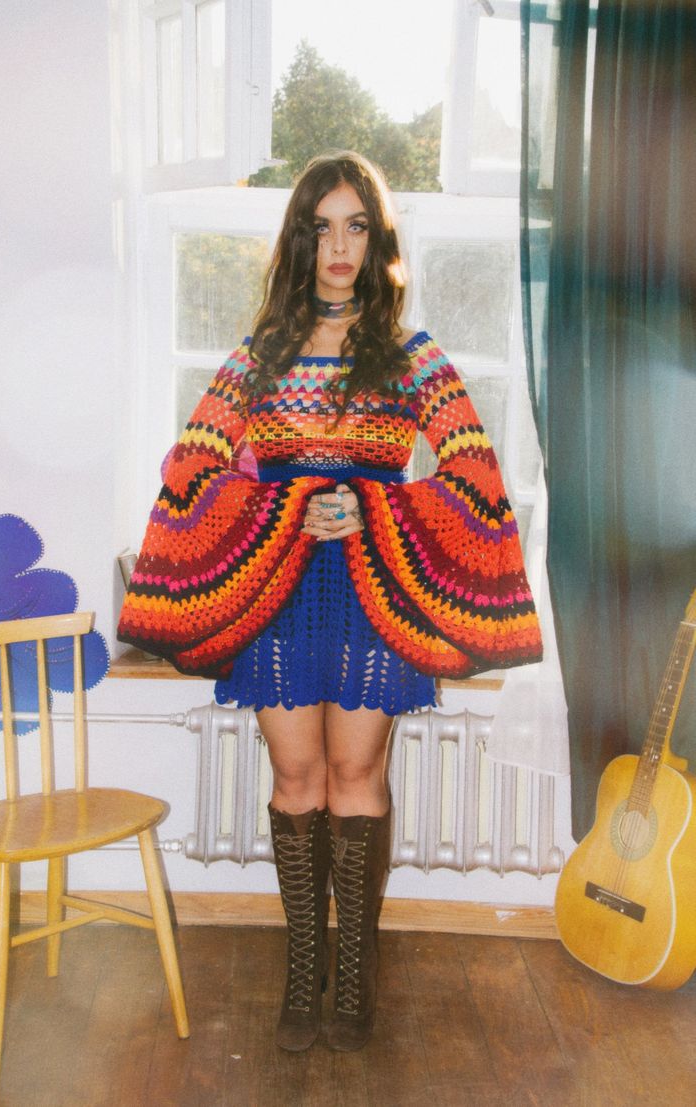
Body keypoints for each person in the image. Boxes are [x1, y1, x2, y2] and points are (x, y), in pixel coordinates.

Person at [118, 151, 543, 1053]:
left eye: (356, 225)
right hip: (274, 593)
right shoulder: (257, 357)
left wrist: (378, 504)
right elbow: (190, 467)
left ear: (378, 238)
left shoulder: (409, 354)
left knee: (355, 779)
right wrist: (279, 509)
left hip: (374, 593)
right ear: (299, 239)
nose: (338, 246)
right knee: (295, 779)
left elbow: (474, 473)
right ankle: (302, 964)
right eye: (321, 227)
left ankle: (354, 974)